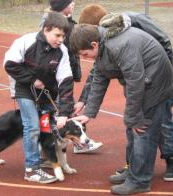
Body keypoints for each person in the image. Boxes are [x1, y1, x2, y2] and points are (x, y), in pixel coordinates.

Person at [69, 23, 173, 194]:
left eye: (85, 54)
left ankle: (140, 181)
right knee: (133, 127)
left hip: (155, 84)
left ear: (94, 44)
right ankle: (134, 172)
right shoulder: (103, 47)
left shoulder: (120, 45)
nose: (85, 58)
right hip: (144, 81)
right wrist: (89, 113)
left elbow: (135, 82)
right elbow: (99, 79)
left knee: (142, 132)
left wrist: (134, 118)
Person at [4, 12, 74, 184]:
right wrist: (32, 80)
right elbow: (9, 65)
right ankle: (32, 169)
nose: (60, 40)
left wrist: (65, 112)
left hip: (47, 94)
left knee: (47, 127)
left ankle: (47, 158)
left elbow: (66, 80)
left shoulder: (62, 52)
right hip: (24, 90)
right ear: (46, 30)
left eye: (64, 36)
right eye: (57, 35)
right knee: (32, 126)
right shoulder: (25, 42)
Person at [39, 0, 103, 154]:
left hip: (65, 72)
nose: (73, 4)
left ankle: (77, 143)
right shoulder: (52, 23)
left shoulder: (68, 22)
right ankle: (54, 149)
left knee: (67, 108)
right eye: (70, 2)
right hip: (56, 76)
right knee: (60, 111)